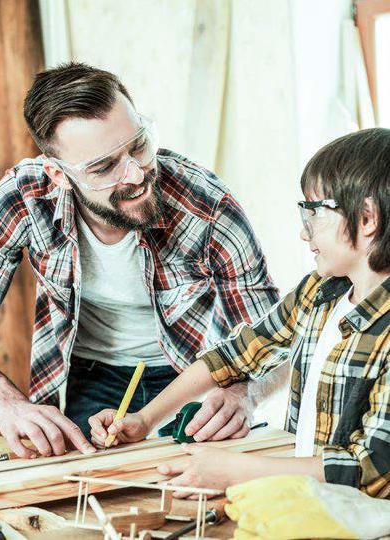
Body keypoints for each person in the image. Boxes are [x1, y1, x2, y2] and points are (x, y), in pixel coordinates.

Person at [0, 62, 280, 458]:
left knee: (197, 493)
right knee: (88, 489)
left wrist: (244, 393)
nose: (135, 175)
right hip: (93, 372)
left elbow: (272, 338)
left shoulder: (207, 206)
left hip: (196, 375)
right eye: (103, 167)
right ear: (58, 174)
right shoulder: (25, 195)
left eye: (139, 146)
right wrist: (7, 405)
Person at [90, 128, 390, 497]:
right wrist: (144, 418)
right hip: (313, 504)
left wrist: (237, 470)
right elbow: (234, 355)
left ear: (367, 218)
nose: (304, 233)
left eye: (313, 212)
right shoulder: (319, 293)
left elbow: (371, 470)